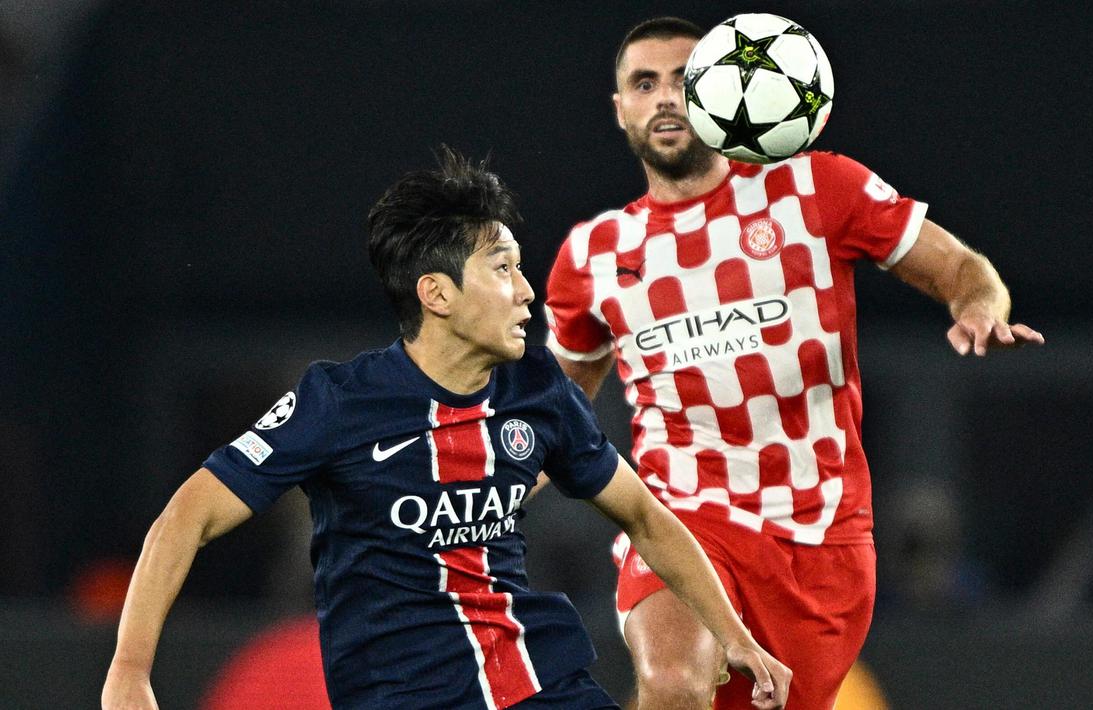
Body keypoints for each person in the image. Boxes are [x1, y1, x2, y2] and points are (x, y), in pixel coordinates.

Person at [101, 148, 791, 710]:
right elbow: (185, 518)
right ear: (436, 294)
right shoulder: (337, 403)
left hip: (538, 681)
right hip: (401, 695)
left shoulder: (537, 390)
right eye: (502, 269)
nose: (526, 291)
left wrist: (734, 636)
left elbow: (644, 516)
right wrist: (129, 669)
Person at [544, 17, 1044, 709]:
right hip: (682, 516)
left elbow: (960, 267)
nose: (663, 98)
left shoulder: (815, 188)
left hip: (819, 536)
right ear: (620, 108)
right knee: (673, 683)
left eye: (683, 80)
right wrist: (479, 493)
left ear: (722, 90)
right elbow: (551, 417)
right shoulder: (593, 254)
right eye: (643, 83)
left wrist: (979, 307)